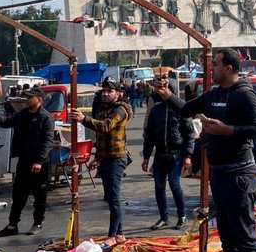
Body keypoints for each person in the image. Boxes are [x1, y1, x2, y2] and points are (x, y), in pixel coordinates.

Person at [157, 48, 256, 252]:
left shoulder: (244, 94)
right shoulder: (214, 93)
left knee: (244, 235)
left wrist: (226, 130)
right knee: (227, 235)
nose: (212, 68)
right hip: (219, 173)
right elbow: (186, 109)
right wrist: (166, 95)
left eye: (216, 64)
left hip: (239, 174)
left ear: (230, 68)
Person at [0, 87, 55, 237]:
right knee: (18, 194)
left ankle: (38, 223)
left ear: (39, 100)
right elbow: (6, 123)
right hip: (23, 160)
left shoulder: (46, 118)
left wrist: (39, 161)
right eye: (26, 97)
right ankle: (12, 225)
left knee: (39, 195)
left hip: (39, 163)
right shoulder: (23, 114)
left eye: (30, 97)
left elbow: (47, 141)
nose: (26, 100)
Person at [73, 79, 132, 238]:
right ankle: (119, 234)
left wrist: (83, 119)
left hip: (116, 158)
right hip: (106, 158)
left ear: (118, 93)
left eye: (109, 91)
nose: (105, 94)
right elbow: (101, 137)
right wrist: (97, 159)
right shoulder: (104, 109)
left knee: (114, 199)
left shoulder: (119, 110)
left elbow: (106, 126)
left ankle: (112, 235)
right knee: (111, 198)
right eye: (104, 91)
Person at [142, 73, 194, 229]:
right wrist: (146, 157)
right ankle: (164, 217)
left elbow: (190, 133)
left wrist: (188, 155)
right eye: (160, 89)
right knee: (159, 186)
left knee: (174, 184)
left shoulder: (181, 109)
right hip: (160, 153)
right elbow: (150, 134)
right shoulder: (156, 110)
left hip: (177, 153)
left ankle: (182, 216)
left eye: (166, 88)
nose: (162, 91)